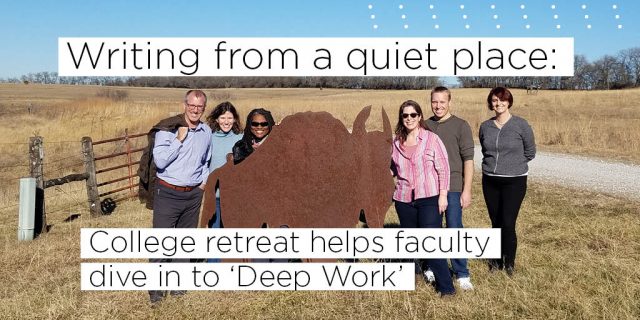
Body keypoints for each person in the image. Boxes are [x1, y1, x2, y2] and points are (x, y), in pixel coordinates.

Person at [148, 89, 212, 304]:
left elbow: (206, 161)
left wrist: (202, 184)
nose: (195, 110)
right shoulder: (168, 130)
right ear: (185, 105)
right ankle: (156, 290)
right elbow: (161, 161)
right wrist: (179, 139)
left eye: (199, 106)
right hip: (167, 192)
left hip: (193, 194)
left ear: (204, 108)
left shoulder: (206, 131)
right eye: (191, 105)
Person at [390, 100, 455, 296]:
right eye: (405, 115)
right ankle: (411, 280)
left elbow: (443, 169)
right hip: (403, 200)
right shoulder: (396, 143)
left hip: (429, 198)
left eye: (413, 115)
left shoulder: (431, 139)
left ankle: (446, 288)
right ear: (401, 118)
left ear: (419, 117)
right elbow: (392, 169)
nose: (409, 118)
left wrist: (443, 196)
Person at [479, 87, 536, 276]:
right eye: (495, 100)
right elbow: (484, 149)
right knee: (495, 222)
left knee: (508, 222)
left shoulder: (521, 125)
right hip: (490, 181)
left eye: (502, 100)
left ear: (509, 102)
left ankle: (509, 263)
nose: (498, 103)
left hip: (514, 181)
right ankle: (495, 263)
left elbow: (530, 152)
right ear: (491, 103)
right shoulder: (485, 126)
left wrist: (513, 165)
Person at [424, 86, 475, 290]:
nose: (438, 106)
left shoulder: (461, 126)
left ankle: (462, 273)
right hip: (430, 188)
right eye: (435, 102)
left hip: (453, 186)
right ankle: (431, 266)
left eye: (442, 102)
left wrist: (467, 189)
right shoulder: (425, 125)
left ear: (449, 102)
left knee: (454, 227)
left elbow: (468, 160)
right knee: (430, 229)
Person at [204, 101, 243, 262]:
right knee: (214, 230)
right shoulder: (209, 138)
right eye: (222, 117)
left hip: (234, 195)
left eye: (230, 117)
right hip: (215, 195)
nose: (226, 121)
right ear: (216, 119)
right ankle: (213, 265)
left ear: (234, 120)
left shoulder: (241, 138)